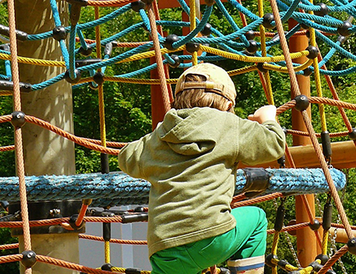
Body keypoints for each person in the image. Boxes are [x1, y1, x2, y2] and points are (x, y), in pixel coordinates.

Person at [118, 63, 286, 274]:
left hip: (164, 250)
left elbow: (125, 157)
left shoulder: (161, 135)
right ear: (227, 104)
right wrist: (268, 118)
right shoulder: (230, 125)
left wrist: (158, 132)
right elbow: (274, 145)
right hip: (212, 237)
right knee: (257, 219)